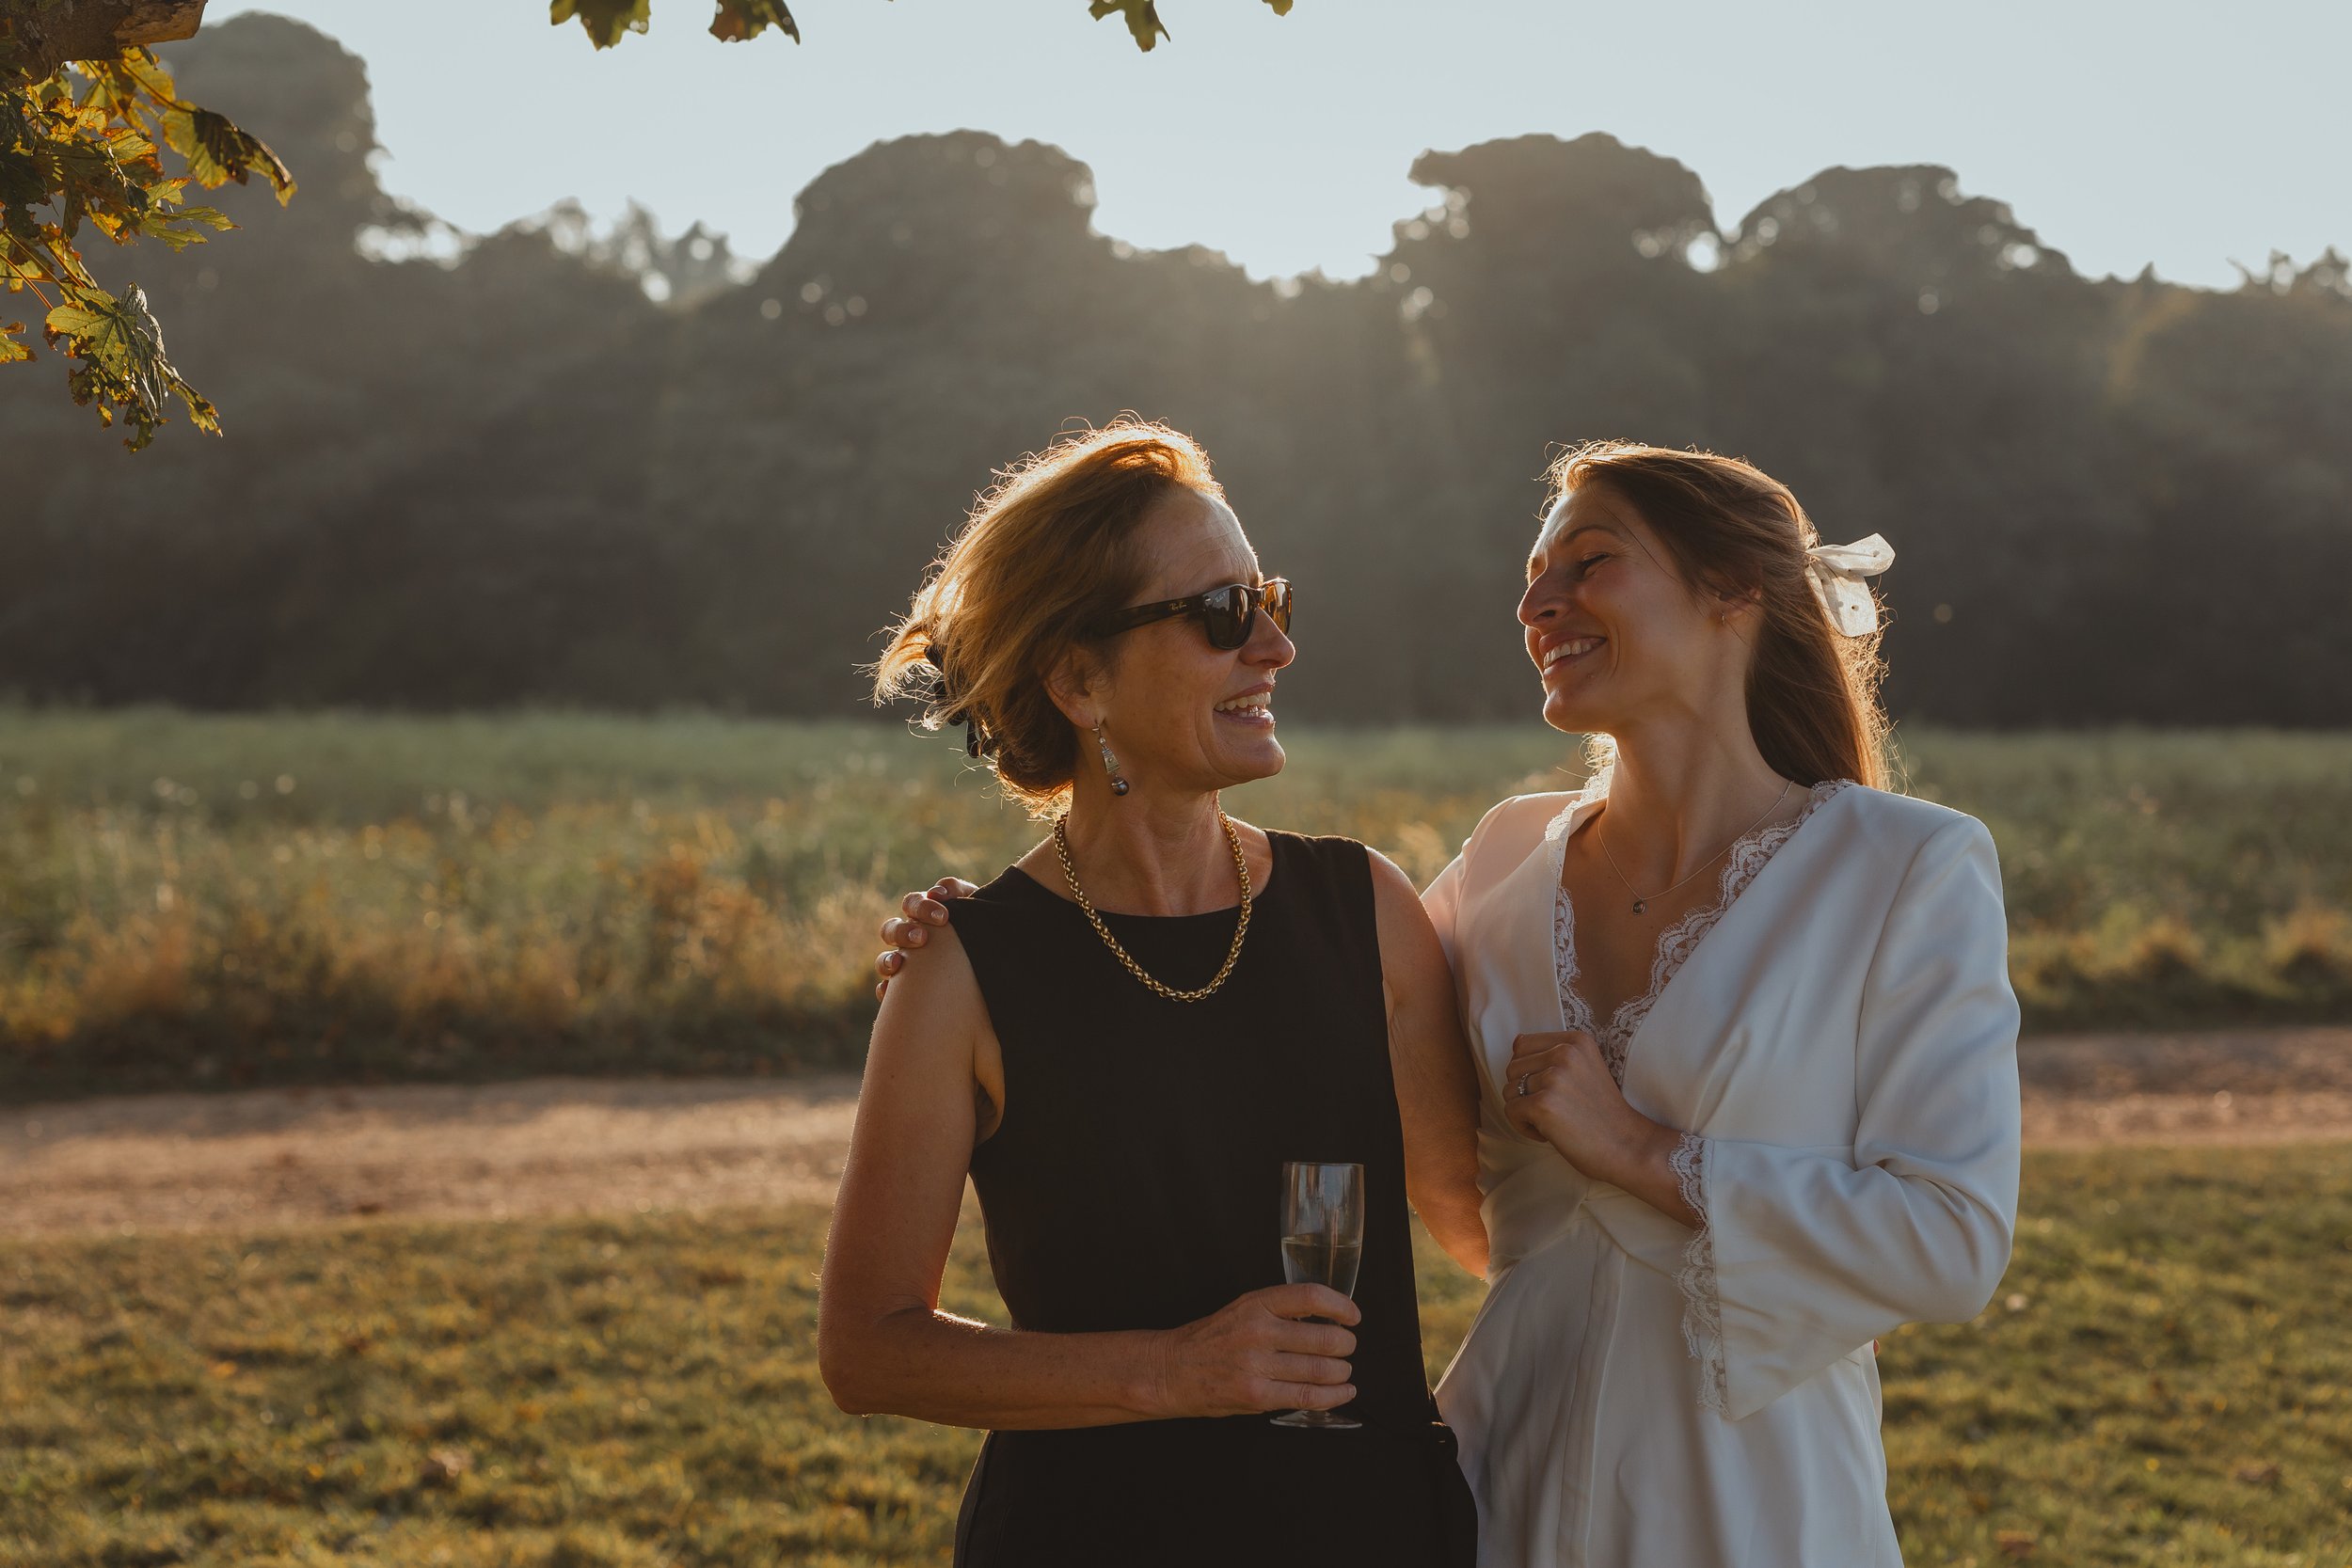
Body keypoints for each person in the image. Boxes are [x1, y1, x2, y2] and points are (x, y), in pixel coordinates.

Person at [881, 440, 2023, 1566]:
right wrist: (990, 944)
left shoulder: (1903, 867)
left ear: (1734, 590)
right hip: (1498, 1480)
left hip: (1749, 1489)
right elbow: (1286, 1031)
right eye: (1534, 572)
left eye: (1588, 559)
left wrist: (1633, 1148)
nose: (1539, 598)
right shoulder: (1502, 861)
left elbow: (1955, 1241)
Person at [818, 420, 1485, 1568]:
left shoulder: (1364, 908)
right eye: (1223, 614)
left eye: (1269, 599)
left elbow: (1485, 1227)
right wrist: (1178, 1370)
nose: (1273, 647)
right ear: (1080, 678)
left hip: (1367, 1528)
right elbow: (869, 1350)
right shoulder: (961, 968)